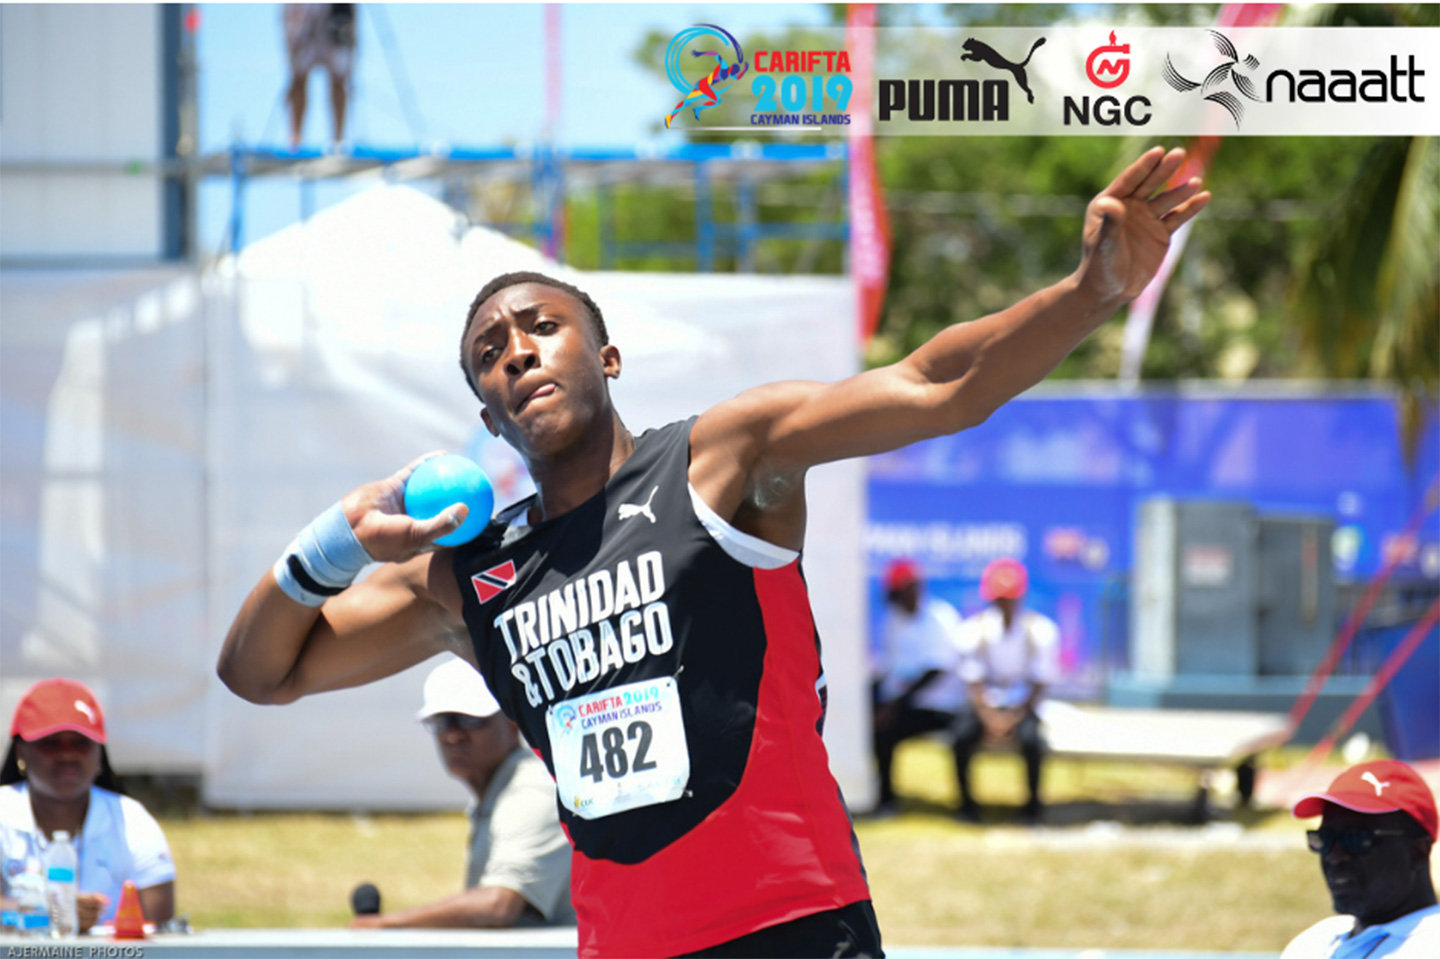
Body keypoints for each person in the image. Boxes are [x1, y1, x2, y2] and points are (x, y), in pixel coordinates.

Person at [217, 146, 1209, 957]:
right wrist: (336, 540)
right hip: (623, 946)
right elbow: (262, 671)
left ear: (606, 357)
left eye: (542, 327)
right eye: (490, 352)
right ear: (489, 413)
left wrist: (1089, 293)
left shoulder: (723, 459)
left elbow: (934, 383)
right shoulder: (472, 575)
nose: (517, 350)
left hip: (793, 927)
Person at [351, 656, 574, 928]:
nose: (452, 736)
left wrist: (386, 924)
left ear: (512, 722)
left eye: (469, 720)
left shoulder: (532, 791)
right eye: (441, 721)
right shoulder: (499, 787)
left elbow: (498, 905)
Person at [0, 678, 176, 932]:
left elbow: (161, 932)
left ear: (99, 753)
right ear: (21, 752)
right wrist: (51, 913)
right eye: (50, 742)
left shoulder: (133, 821)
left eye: (81, 742)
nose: (67, 753)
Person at [1281, 759, 1439, 958]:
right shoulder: (1314, 941)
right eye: (1324, 838)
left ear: (1418, 851)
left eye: (1356, 838)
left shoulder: (1430, 945)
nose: (1335, 856)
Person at [950, 557, 1059, 824]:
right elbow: (973, 679)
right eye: (1000, 598)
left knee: (1032, 741)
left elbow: (1040, 681)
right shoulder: (973, 630)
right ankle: (966, 807)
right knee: (960, 736)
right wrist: (989, 717)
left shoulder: (1040, 630)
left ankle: (1032, 809)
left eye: (1010, 598)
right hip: (986, 704)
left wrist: (1013, 717)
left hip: (1023, 705)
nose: (1005, 604)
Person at [870, 559, 967, 817]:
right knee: (866, 720)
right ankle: (874, 794)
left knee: (885, 729)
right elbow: (890, 668)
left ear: (915, 588)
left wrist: (893, 705)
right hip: (904, 702)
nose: (896, 600)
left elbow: (936, 671)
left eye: (900, 592)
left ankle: (886, 801)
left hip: (939, 706)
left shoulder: (941, 618)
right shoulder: (894, 619)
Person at [283, 4, 356, 150]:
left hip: (336, 9)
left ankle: (339, 140)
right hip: (303, 8)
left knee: (339, 75)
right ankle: (295, 139)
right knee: (298, 75)